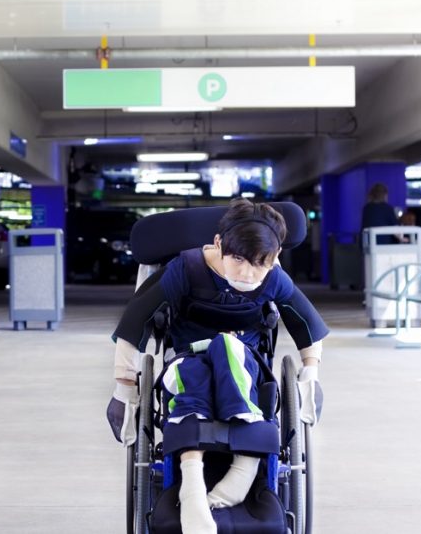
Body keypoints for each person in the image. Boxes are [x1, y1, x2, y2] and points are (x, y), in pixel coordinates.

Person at [107, 200, 329, 534]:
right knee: (194, 370)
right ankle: (192, 483)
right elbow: (135, 320)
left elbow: (307, 325)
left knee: (229, 348)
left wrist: (310, 373)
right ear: (219, 244)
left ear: (275, 256)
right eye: (238, 259)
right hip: (187, 358)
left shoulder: (272, 278)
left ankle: (246, 464)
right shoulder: (186, 269)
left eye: (259, 264)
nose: (247, 273)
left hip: (247, 364)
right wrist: (124, 387)